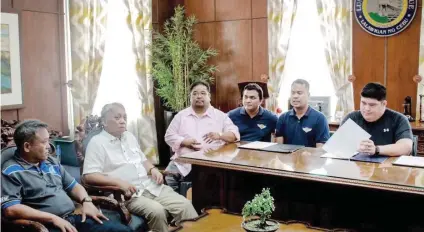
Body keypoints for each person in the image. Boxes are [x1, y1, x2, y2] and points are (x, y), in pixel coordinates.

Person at [83, 103, 198, 232]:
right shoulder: (97, 143)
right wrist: (119, 183)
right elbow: (89, 176)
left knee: (185, 205)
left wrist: (152, 169)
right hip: (127, 195)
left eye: (124, 117)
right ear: (104, 121)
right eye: (117, 117)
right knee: (157, 211)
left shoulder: (129, 136)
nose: (122, 121)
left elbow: (143, 160)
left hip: (150, 186)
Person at [1, 120, 132, 232]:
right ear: (27, 146)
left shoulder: (51, 162)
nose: (49, 146)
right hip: (46, 226)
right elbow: (11, 209)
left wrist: (87, 201)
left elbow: (74, 186)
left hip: (73, 218)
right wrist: (52, 218)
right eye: (44, 142)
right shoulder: (11, 171)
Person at [165, 81, 240, 191]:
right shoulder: (181, 116)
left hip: (211, 163)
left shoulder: (220, 116)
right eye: (195, 93)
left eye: (203, 93)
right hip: (183, 162)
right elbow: (168, 136)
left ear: (209, 96)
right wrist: (184, 142)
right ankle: (178, 204)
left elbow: (234, 135)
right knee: (169, 177)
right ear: (190, 97)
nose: (199, 96)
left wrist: (220, 135)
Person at [341, 82, 413, 156]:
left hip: (388, 166)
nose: (367, 108)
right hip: (356, 165)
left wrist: (376, 149)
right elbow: (338, 145)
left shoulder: (398, 119)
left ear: (384, 104)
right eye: (363, 103)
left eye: (372, 105)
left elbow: (406, 147)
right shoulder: (351, 118)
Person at [275, 79, 330, 147]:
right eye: (293, 93)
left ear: (308, 95)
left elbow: (320, 150)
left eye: (299, 93)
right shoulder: (283, 118)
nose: (295, 96)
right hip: (287, 157)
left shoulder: (320, 118)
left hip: (310, 157)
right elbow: (279, 148)